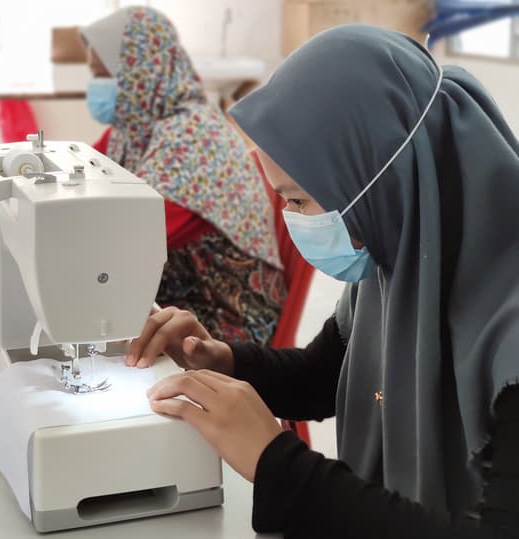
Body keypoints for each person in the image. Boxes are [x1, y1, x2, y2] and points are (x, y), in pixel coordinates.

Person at [126, 24, 519, 538]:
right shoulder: (405, 261)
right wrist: (220, 358)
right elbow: (323, 375)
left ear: (381, 181)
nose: (290, 218)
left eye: (298, 200)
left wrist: (278, 465)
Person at [80, 7, 286, 357]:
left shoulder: (192, 139)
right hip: (171, 294)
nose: (94, 87)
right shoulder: (132, 131)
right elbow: (84, 176)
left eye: (104, 75)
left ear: (143, 70)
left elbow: (131, 240)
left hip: (222, 318)